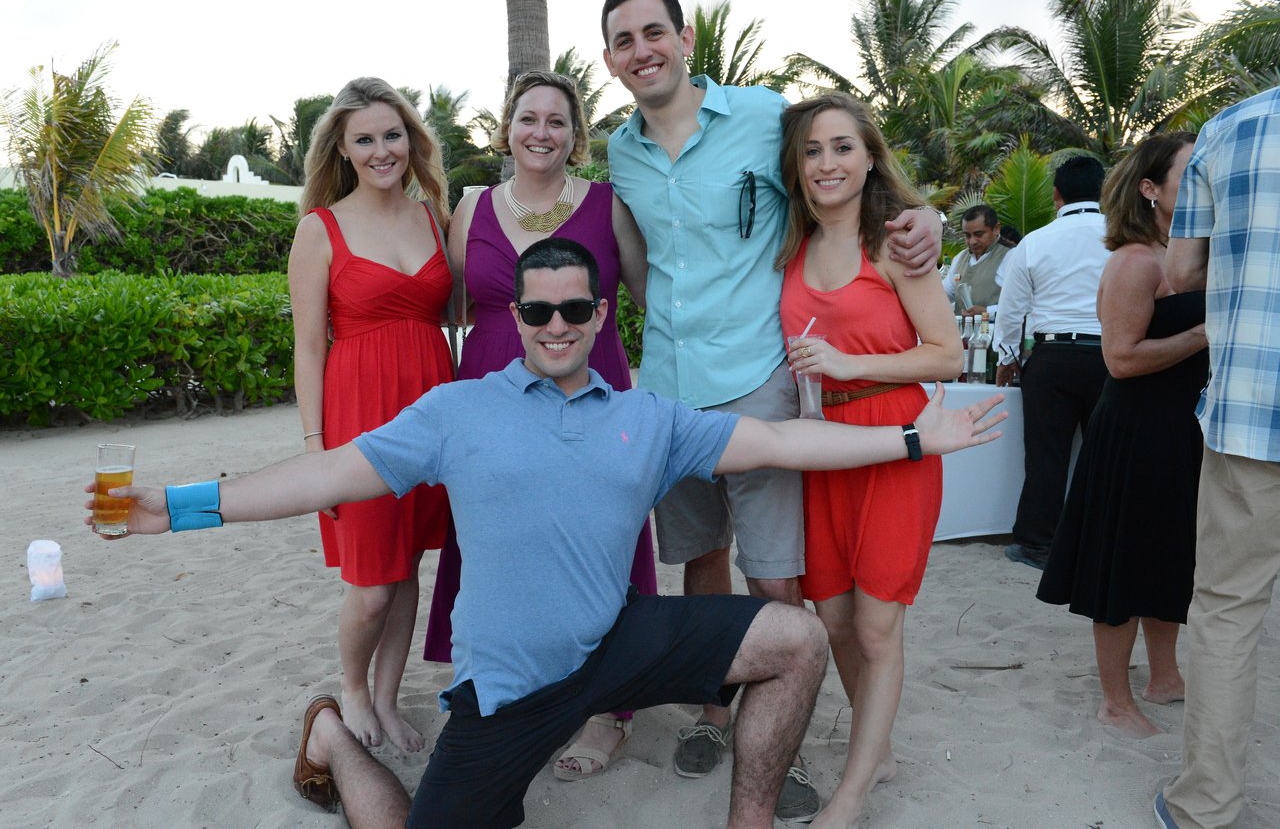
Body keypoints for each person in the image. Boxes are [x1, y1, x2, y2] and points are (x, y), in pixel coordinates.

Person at [87, 238, 1006, 829]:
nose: (558, 325)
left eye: (576, 309)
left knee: (796, 638)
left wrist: (919, 435)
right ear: (516, 318)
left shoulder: (648, 417)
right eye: (538, 311)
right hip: (511, 685)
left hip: (619, 644)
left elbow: (781, 439)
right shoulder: (456, 411)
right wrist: (178, 506)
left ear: (601, 315)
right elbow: (325, 475)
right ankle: (331, 734)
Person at [599, 0, 944, 813]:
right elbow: (638, 260)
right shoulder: (620, 152)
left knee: (778, 575)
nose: (642, 49)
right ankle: (717, 711)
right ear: (610, 60)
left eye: (655, 32)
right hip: (673, 390)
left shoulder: (763, 116)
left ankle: (778, 736)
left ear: (684, 38)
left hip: (760, 379)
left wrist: (922, 214)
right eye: (623, 40)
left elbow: (845, 168)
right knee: (700, 559)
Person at [423, 69, 655, 781]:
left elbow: (645, 295)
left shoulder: (610, 206)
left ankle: (607, 710)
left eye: (557, 121)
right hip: (497, 386)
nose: (542, 133)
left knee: (602, 533)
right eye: (529, 118)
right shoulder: (471, 209)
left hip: (594, 384)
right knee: (500, 540)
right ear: (507, 127)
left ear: (575, 135)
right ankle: (509, 687)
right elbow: (458, 308)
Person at [777, 93, 962, 827]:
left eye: (843, 147)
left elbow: (946, 355)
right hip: (824, 446)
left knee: (879, 625)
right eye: (813, 149)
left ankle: (853, 792)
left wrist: (850, 363)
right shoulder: (789, 246)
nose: (827, 163)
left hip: (895, 440)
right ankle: (872, 743)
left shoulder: (894, 244)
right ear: (796, 163)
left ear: (869, 156)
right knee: (834, 619)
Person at [286, 77, 454, 753]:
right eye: (366, 139)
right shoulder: (318, 229)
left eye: (393, 135)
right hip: (360, 416)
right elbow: (306, 348)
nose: (383, 150)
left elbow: (468, 308)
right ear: (344, 151)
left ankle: (386, 698)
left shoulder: (433, 215)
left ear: (410, 142)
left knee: (409, 563)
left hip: (434, 409)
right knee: (373, 583)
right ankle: (353, 689)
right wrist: (314, 450)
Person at [1035, 133, 1205, 740]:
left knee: (1169, 558)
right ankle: (1114, 698)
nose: (1205, 185)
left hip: (1183, 430)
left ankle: (1165, 677)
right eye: (1191, 175)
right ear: (1150, 189)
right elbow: (1121, 360)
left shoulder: (1188, 255)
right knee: (1121, 567)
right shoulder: (1136, 261)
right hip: (1137, 432)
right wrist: (1205, 332)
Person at [1155, 86, 1280, 829]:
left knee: (1229, 612)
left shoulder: (1230, 130)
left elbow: (1181, 271)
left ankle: (1206, 807)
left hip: (1252, 413)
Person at [992, 155, 1110, 571]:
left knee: (1046, 455)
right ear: (1104, 191)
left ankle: (1038, 543)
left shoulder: (1035, 240)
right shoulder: (1125, 236)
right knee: (1105, 455)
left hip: (1052, 357)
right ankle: (1099, 541)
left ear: (1056, 194)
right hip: (1111, 358)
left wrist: (1006, 357)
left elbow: (1010, 310)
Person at [943, 204, 1010, 317]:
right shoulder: (960, 258)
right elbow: (944, 294)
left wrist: (987, 311)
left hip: (994, 333)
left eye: (979, 234)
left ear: (996, 229)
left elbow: (1021, 304)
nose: (972, 241)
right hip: (961, 332)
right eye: (967, 235)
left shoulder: (1010, 257)